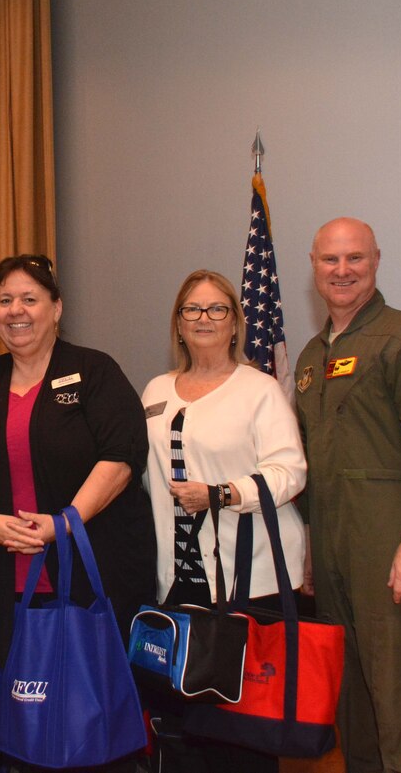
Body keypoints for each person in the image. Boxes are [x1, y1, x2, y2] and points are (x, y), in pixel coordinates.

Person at [293, 217, 401, 773]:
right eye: (330, 259)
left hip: (394, 548)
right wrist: (313, 546)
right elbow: (315, 463)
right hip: (335, 551)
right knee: (354, 701)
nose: (342, 270)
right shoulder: (311, 357)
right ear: (314, 266)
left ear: (376, 261)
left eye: (355, 258)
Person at [0, 254, 156, 675]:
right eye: (5, 300)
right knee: (11, 700)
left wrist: (65, 522)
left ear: (56, 309)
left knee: (87, 696)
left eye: (29, 299)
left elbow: (122, 455)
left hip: (89, 574)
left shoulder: (94, 371)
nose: (15, 310)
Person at [141, 269, 308, 770]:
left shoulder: (259, 390)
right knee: (184, 728)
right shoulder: (155, 390)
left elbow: (290, 471)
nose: (204, 318)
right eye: (192, 309)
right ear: (178, 323)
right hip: (179, 580)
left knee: (241, 733)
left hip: (248, 581)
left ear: (235, 322)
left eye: (217, 309)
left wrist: (223, 494)